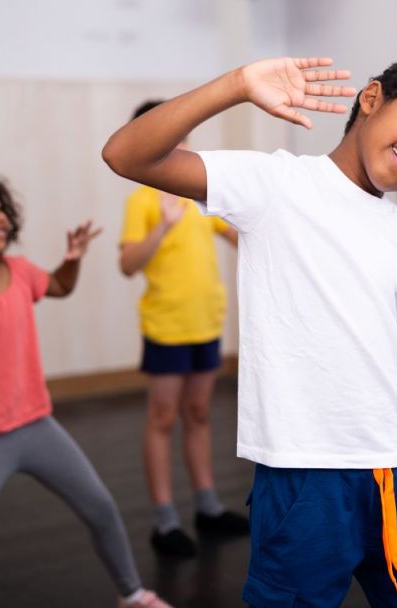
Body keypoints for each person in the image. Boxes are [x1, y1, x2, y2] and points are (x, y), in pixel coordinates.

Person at [103, 56, 397, 606]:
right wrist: (237, 86)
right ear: (373, 98)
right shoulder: (275, 184)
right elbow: (126, 154)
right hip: (303, 473)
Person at [0, 169, 171, 607]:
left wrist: (72, 258)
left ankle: (133, 595)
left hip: (36, 426)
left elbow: (58, 285)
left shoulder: (18, 272)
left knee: (101, 508)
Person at [119, 100, 247, 558]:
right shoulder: (143, 199)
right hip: (167, 326)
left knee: (197, 415)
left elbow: (237, 236)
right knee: (162, 419)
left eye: (184, 136)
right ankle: (164, 520)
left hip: (205, 322)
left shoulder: (200, 197)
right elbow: (127, 264)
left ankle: (208, 507)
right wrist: (162, 228)